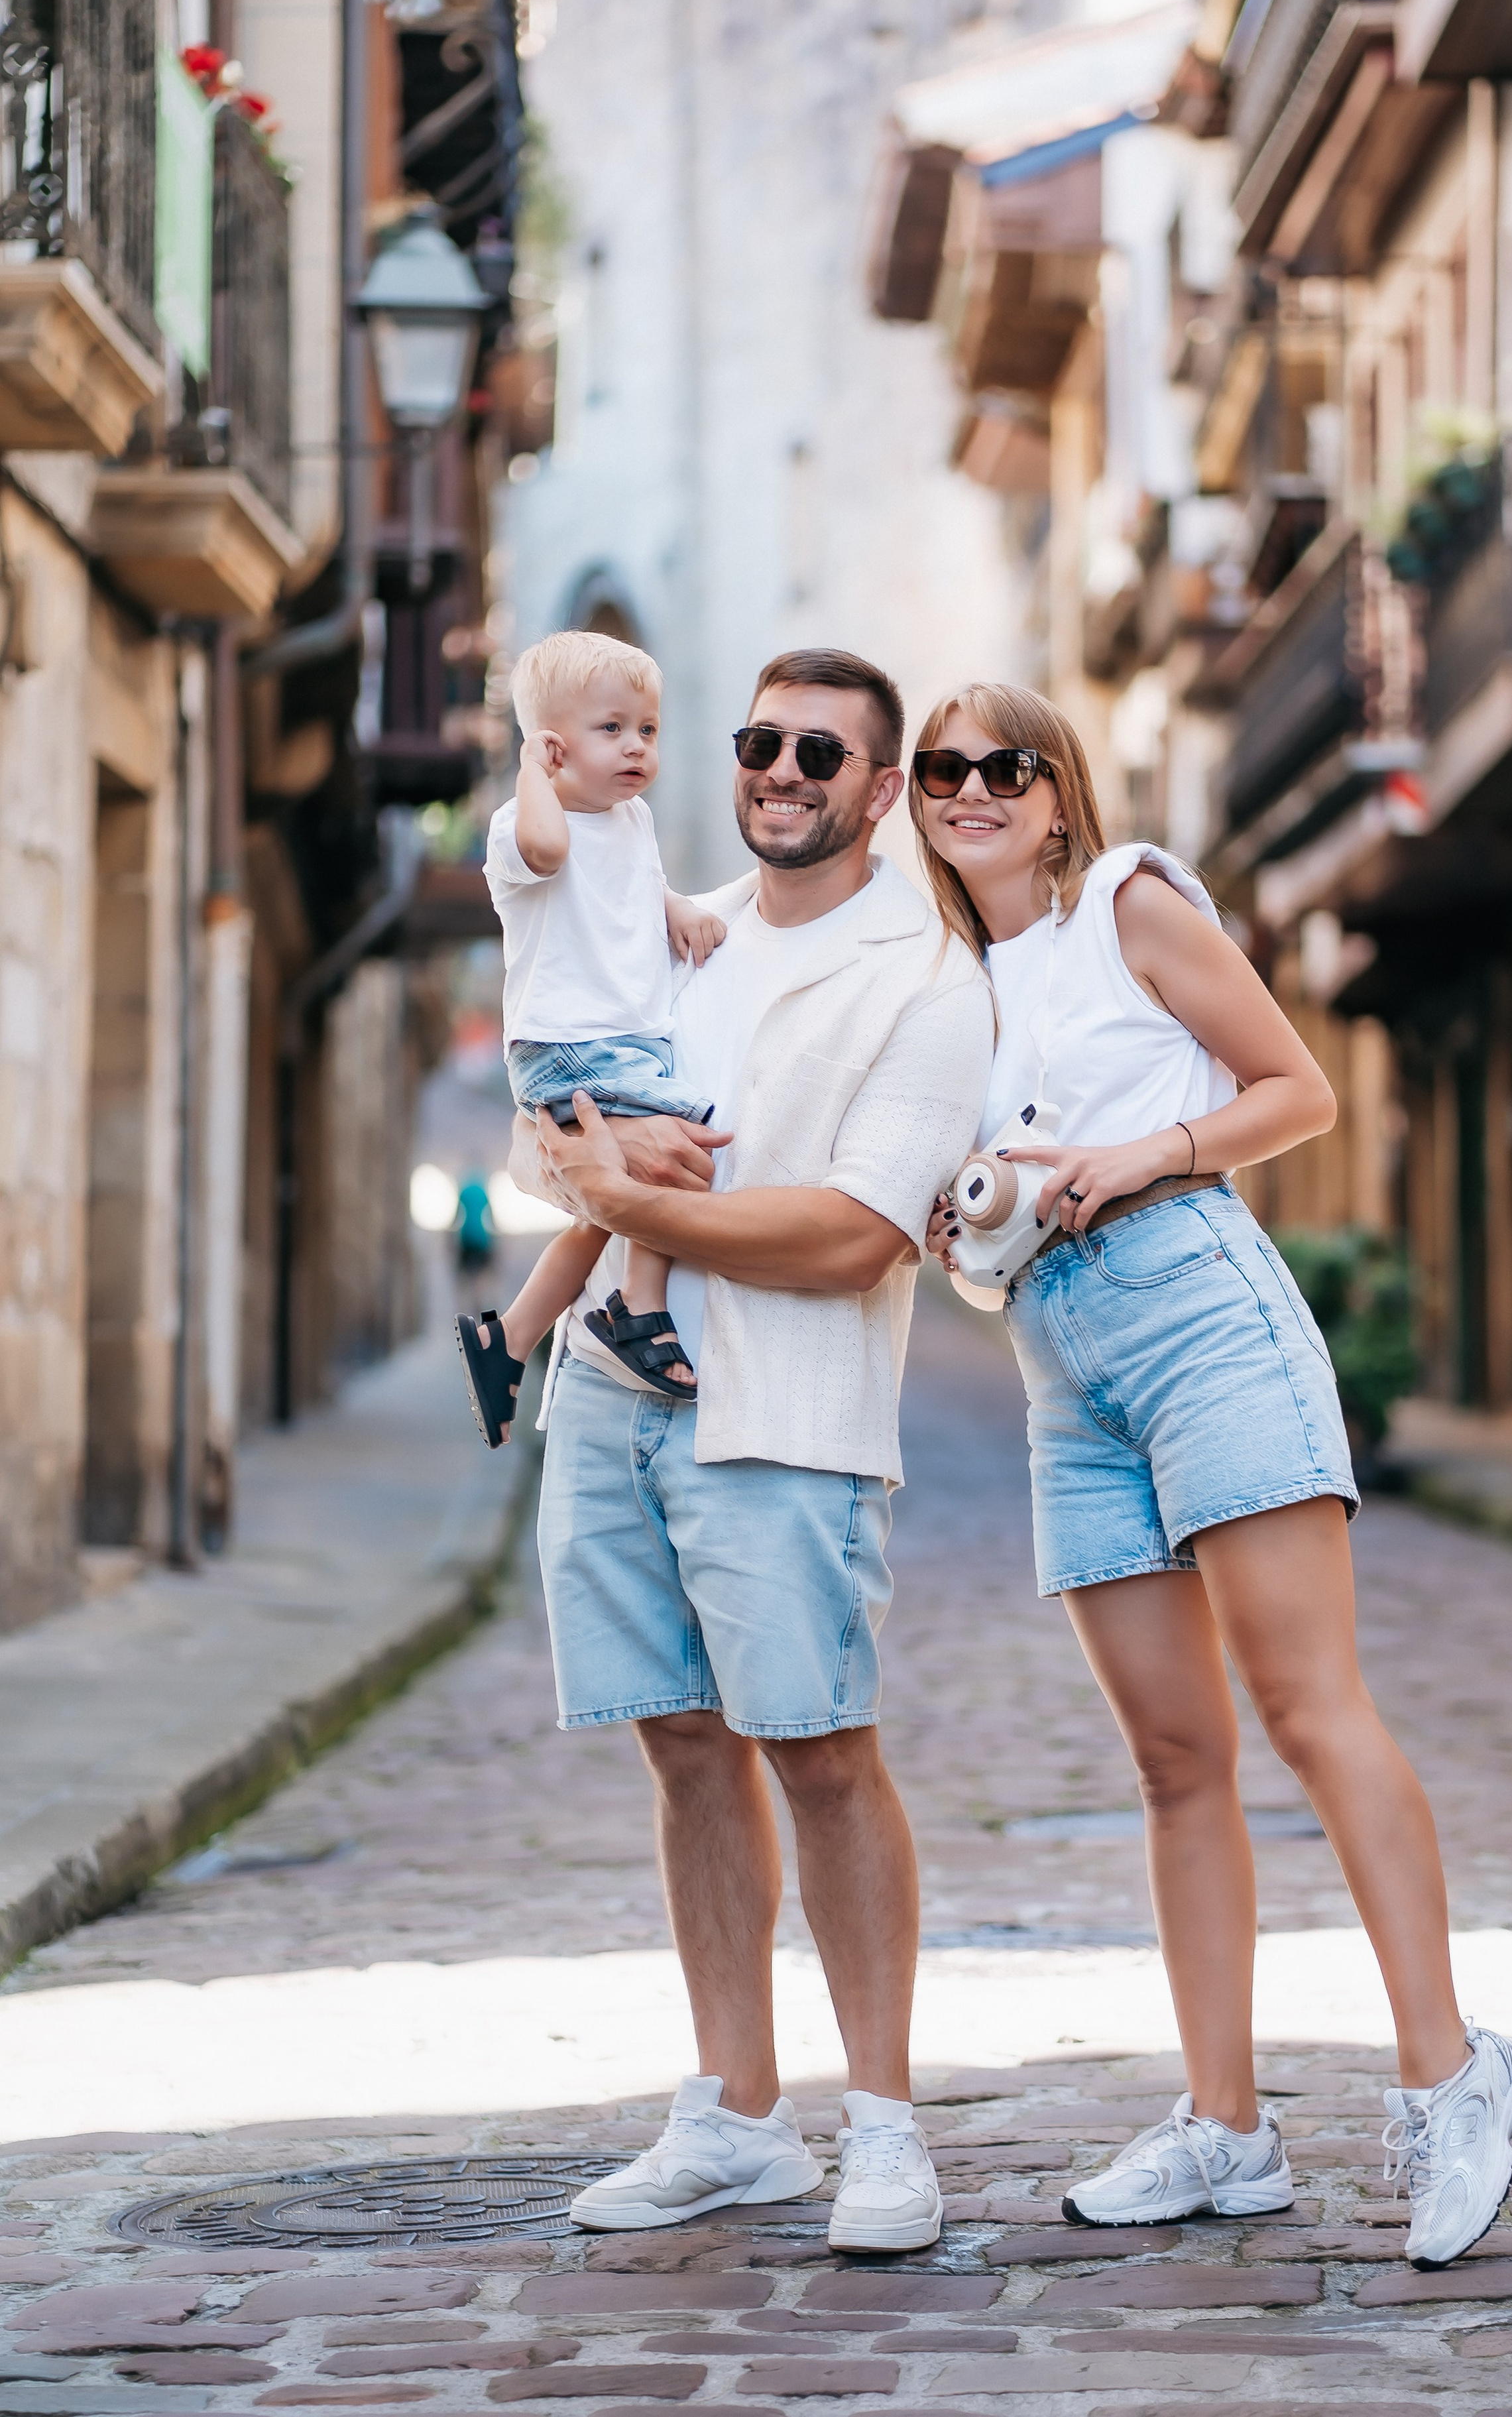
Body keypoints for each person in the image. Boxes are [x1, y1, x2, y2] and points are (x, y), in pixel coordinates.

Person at [912, 681, 1512, 2269]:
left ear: (1058, 794)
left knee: (1306, 1706)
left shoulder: (1127, 902)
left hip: (1194, 1305)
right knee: (1172, 1759)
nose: (971, 787)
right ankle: (1224, 2127)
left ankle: (1451, 2076)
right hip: (1058, 1360)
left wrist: (1143, 1152)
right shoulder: (943, 985)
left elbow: (1294, 1089)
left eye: (1004, 765)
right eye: (940, 768)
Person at [511, 648, 993, 2252]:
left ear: (879, 789)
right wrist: (592, 1163)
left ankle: (885, 2128)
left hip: (782, 1411)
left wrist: (625, 1191)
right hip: (610, 1390)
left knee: (821, 1750)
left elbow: (856, 1235)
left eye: (819, 753)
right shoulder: (672, 930)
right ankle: (734, 2115)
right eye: (759, 741)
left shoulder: (926, 976)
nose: (780, 770)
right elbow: (548, 1107)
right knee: (679, 1741)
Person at [455, 630, 727, 1445]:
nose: (637, 746)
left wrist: (675, 908)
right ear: (552, 744)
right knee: (678, 1152)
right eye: (611, 729)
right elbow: (549, 853)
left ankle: (509, 1339)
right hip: (568, 1043)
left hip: (624, 1042)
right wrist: (530, 775)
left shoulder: (633, 819)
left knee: (608, 1211)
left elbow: (634, 886)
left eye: (647, 729)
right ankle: (637, 1307)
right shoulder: (522, 822)